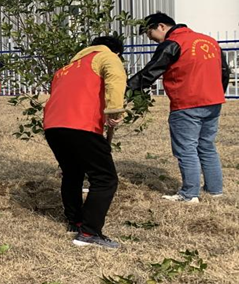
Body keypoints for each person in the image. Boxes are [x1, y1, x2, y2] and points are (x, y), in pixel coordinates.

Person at [127, 12, 230, 203]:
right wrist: (217, 93)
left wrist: (126, 90)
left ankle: (190, 194)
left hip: (186, 103)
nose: (151, 39)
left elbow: (151, 72)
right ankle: (215, 190)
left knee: (186, 149)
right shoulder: (210, 42)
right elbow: (225, 71)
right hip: (213, 102)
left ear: (161, 26)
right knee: (207, 146)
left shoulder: (173, 43)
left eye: (150, 33)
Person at [42, 36, 126, 249]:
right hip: (81, 124)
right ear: (116, 51)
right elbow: (116, 79)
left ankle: (75, 221)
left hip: (53, 126)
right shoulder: (106, 57)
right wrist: (115, 110)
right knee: (105, 178)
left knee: (72, 173)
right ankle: (89, 232)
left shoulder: (66, 68)